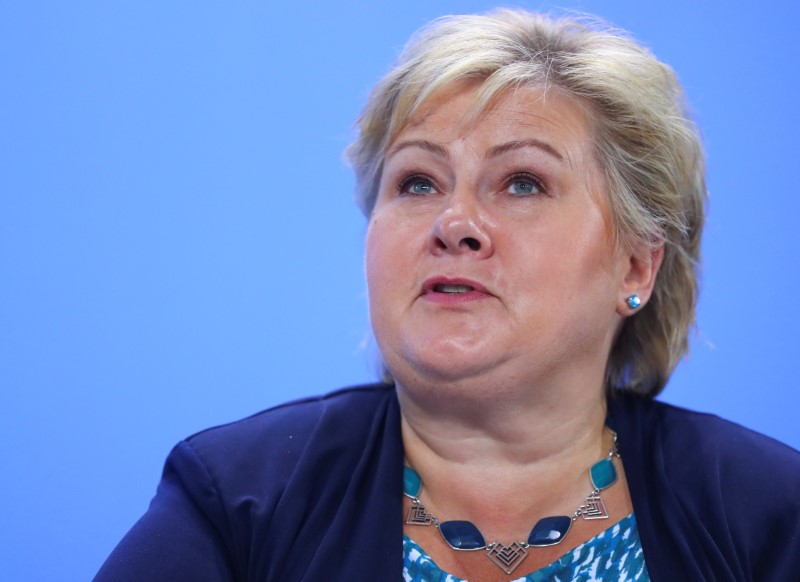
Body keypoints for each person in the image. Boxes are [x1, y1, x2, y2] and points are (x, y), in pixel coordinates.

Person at [96, 9, 800, 581]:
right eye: (418, 183)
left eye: (523, 182)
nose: (454, 224)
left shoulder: (766, 510)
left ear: (637, 268)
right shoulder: (237, 498)